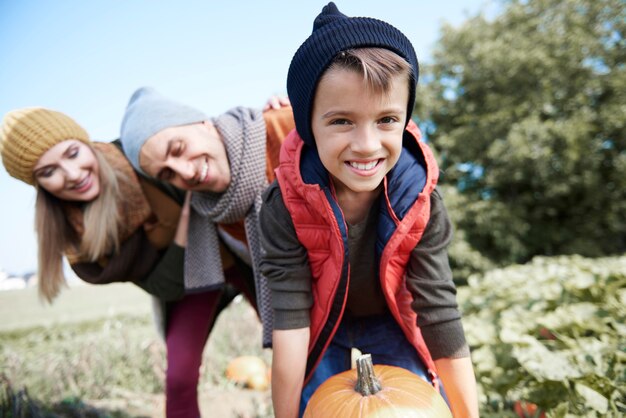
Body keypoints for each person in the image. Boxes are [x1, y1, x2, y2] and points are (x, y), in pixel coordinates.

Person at [258, 3, 480, 418]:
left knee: (425, 403)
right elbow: (289, 320)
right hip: (323, 325)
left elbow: (438, 309)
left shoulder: (420, 199)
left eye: (386, 120)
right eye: (341, 121)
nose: (366, 144)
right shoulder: (283, 204)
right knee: (314, 408)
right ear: (308, 126)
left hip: (391, 319)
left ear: (404, 119)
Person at [0, 106, 256, 418]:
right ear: (38, 185)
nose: (72, 174)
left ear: (86, 143)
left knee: (296, 337)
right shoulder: (80, 241)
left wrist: (270, 114)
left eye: (72, 153)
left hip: (243, 252)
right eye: (48, 172)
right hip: (189, 281)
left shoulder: (139, 154)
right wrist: (186, 226)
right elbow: (164, 285)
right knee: (178, 377)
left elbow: (213, 139)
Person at [119, 87, 295, 414]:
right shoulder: (210, 210)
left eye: (179, 148)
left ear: (202, 123)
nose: (185, 172)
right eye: (168, 173)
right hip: (303, 316)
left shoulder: (286, 128)